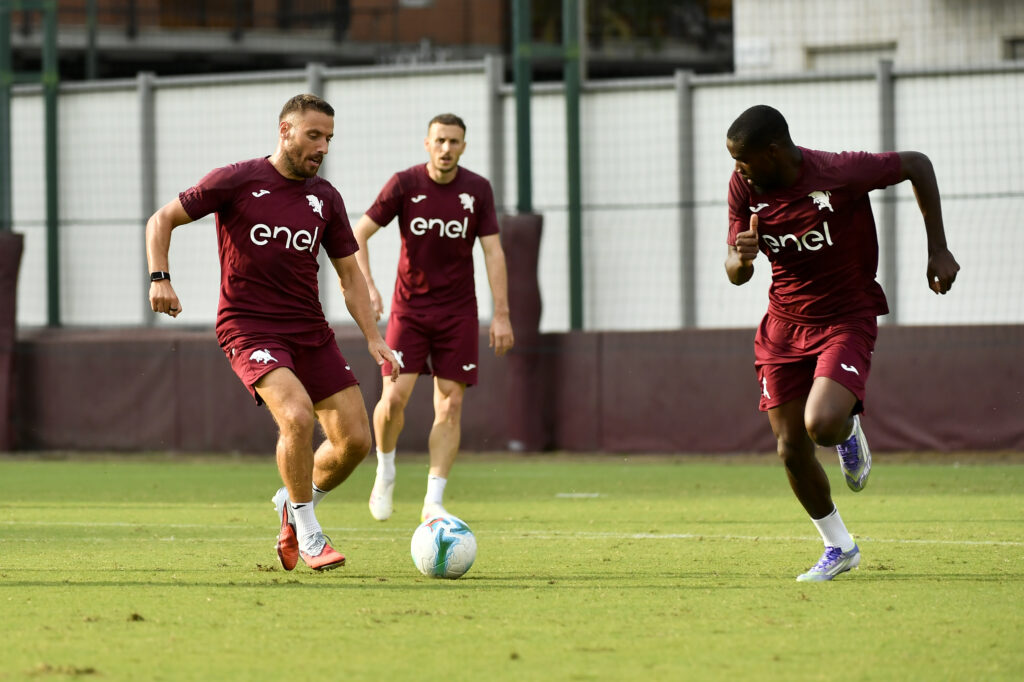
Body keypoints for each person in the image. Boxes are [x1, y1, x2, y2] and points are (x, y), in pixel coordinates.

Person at [146, 93, 399, 572]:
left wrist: (373, 336)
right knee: (298, 417)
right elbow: (162, 220)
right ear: (285, 131)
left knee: (355, 443)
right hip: (249, 326)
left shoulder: (325, 198)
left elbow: (349, 277)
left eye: (328, 138)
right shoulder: (237, 179)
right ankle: (309, 531)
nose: (322, 147)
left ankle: (292, 500)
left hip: (310, 331)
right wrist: (160, 277)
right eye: (313, 135)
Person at [724, 105, 960, 582]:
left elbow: (918, 163)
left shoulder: (838, 173)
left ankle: (847, 431)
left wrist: (937, 247)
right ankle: (839, 547)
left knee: (824, 424)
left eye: (743, 161)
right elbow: (734, 270)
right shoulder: (745, 188)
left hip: (844, 319)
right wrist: (742, 259)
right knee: (790, 449)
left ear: (772, 153)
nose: (737, 170)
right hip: (782, 326)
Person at [353, 113, 514, 523]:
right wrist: (369, 285)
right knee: (393, 400)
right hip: (409, 311)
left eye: (454, 142)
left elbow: (493, 252)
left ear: (464, 146)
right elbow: (358, 235)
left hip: (458, 313)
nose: (446, 149)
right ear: (427, 144)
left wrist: (502, 315)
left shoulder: (477, 190)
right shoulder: (405, 184)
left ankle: (433, 501)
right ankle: (385, 470)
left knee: (452, 403)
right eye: (440, 140)